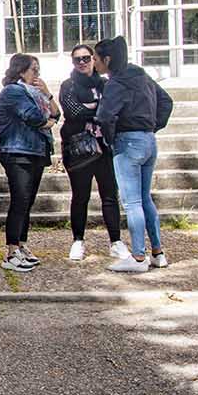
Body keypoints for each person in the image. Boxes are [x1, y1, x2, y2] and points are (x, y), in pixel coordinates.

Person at [94, 36, 173, 274]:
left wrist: (110, 138)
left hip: (127, 141)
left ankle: (138, 256)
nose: (95, 63)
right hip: (148, 139)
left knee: (133, 201)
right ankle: (157, 252)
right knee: (145, 198)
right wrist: (152, 125)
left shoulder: (115, 83)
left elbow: (105, 116)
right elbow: (166, 101)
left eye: (97, 59)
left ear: (107, 59)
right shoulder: (140, 75)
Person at [59, 44, 128, 262]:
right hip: (79, 148)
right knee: (80, 195)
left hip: (104, 146)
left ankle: (116, 241)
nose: (82, 63)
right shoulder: (68, 85)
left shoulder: (106, 84)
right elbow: (73, 111)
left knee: (109, 194)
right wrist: (97, 109)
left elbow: (114, 110)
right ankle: (78, 240)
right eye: (77, 59)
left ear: (93, 60)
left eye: (86, 58)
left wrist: (92, 108)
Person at [0, 53, 58, 273]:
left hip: (36, 152)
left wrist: (48, 94)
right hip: (18, 151)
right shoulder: (13, 91)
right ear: (21, 70)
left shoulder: (36, 93)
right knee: (20, 200)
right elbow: (35, 117)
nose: (37, 74)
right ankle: (12, 251)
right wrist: (48, 121)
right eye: (33, 69)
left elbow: (56, 114)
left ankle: (22, 245)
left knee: (28, 201)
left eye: (39, 70)